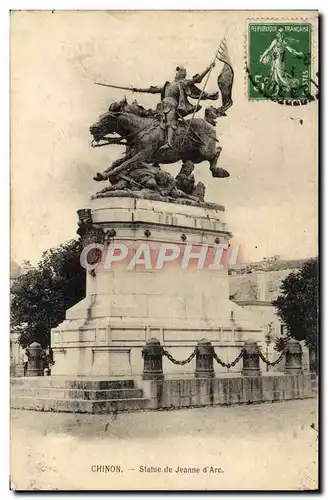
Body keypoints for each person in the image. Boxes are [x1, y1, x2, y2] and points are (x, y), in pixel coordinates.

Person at [130, 63, 219, 151]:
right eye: (177, 72)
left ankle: (169, 143)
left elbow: (198, 79)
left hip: (171, 106)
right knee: (152, 120)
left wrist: (208, 68)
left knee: (170, 122)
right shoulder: (168, 85)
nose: (177, 73)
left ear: (182, 74)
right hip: (162, 107)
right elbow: (153, 90)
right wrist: (137, 90)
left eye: (179, 71)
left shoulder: (183, 82)